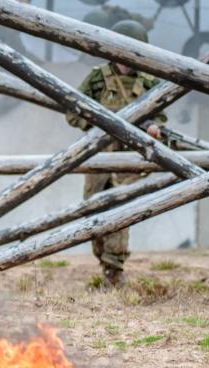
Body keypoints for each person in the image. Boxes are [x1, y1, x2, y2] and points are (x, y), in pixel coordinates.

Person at [65, 20, 167, 288]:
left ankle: (114, 269)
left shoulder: (149, 82)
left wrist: (155, 129)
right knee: (93, 210)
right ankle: (105, 260)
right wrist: (98, 125)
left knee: (119, 210)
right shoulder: (98, 77)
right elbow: (72, 112)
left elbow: (161, 117)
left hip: (130, 160)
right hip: (99, 157)